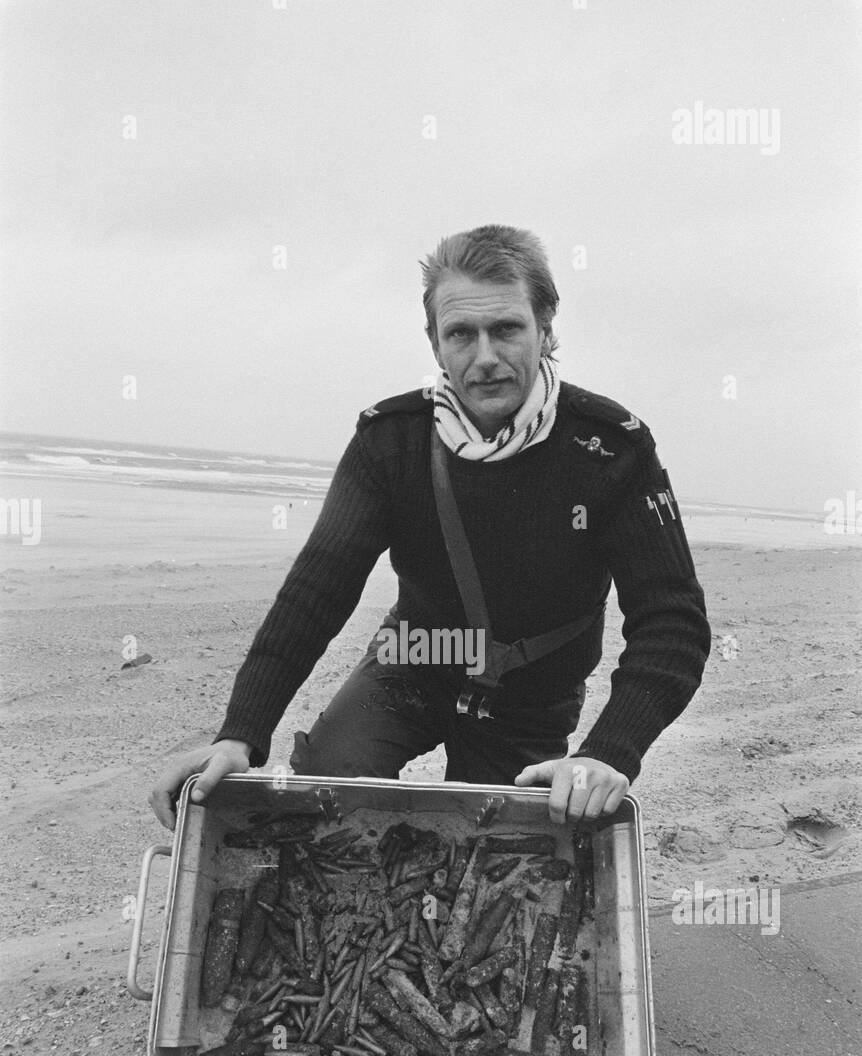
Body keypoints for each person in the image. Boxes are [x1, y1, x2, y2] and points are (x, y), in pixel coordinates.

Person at [150, 224, 710, 831]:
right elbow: (317, 589)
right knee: (326, 795)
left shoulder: (610, 450)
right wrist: (240, 735)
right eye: (461, 334)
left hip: (532, 698)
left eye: (508, 329)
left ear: (546, 328)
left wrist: (607, 753)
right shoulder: (391, 441)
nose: (485, 357)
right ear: (435, 343)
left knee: (501, 850)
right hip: (414, 658)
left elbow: (672, 622)